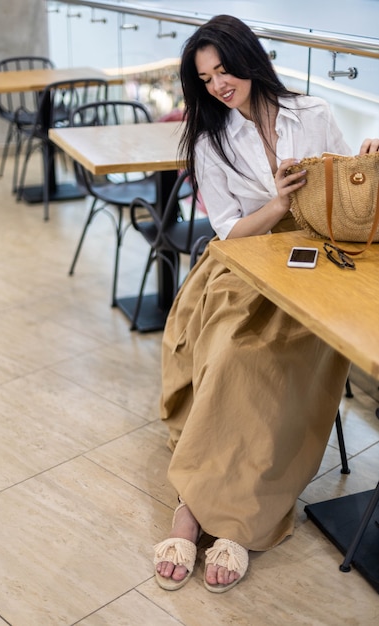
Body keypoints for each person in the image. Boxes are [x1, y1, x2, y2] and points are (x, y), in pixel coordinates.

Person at [153, 14, 379, 594]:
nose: (217, 85)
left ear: (248, 59)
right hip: (243, 268)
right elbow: (229, 233)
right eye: (205, 78)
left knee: (275, 364)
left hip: (313, 269)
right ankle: (194, 508)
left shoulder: (315, 113)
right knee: (230, 351)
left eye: (223, 69)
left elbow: (342, 192)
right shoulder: (211, 139)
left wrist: (366, 165)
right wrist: (278, 204)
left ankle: (228, 517)